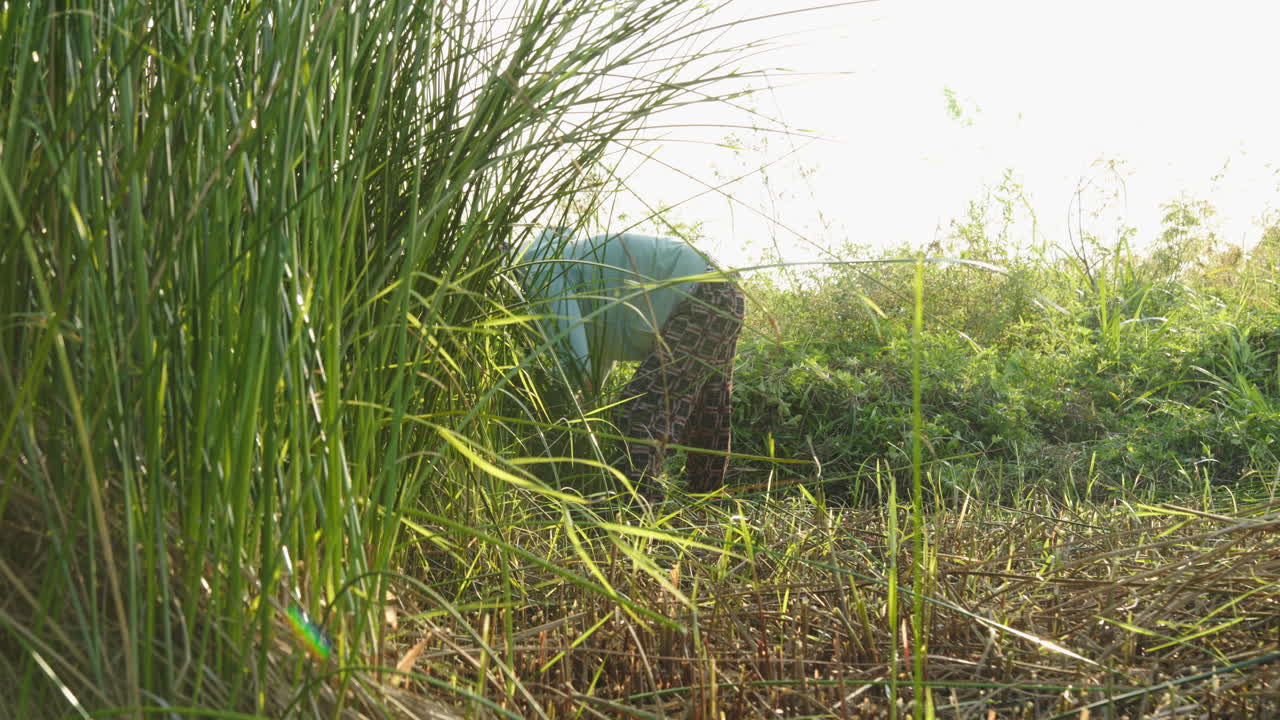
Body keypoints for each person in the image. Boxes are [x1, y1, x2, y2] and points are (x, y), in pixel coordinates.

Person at [515, 228, 745, 497]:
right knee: (709, 406)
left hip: (702, 296)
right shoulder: (571, 263)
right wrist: (588, 399)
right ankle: (707, 499)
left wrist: (556, 406)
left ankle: (638, 514)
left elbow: (575, 355)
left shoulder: (538, 268)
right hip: (723, 292)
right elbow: (594, 351)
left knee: (638, 411)